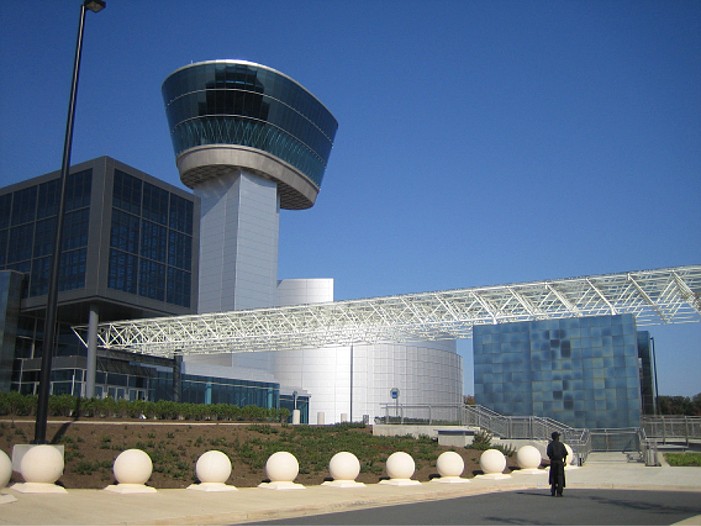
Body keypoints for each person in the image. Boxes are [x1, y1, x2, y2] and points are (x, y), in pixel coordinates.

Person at [547, 431, 567, 497]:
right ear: (557, 437)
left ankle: (553, 490)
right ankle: (559, 492)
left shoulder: (550, 445)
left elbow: (548, 454)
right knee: (560, 476)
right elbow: (565, 454)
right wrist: (564, 461)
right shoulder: (561, 445)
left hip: (553, 462)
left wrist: (551, 458)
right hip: (560, 462)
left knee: (553, 476)